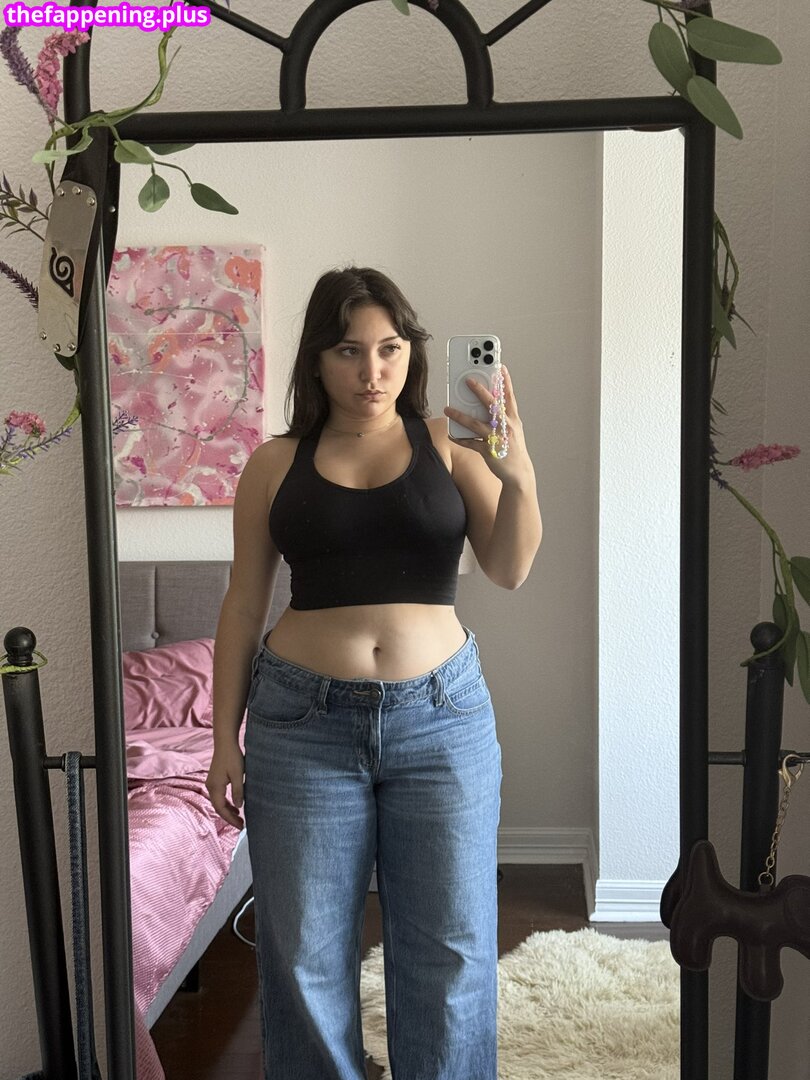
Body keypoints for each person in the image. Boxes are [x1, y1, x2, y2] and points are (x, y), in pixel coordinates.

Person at [206, 266, 542, 1080]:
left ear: (411, 353)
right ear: (317, 361)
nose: (372, 371)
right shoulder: (273, 464)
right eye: (349, 351)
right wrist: (223, 740)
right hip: (300, 726)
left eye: (390, 348)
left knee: (451, 947)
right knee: (304, 953)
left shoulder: (449, 444)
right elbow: (243, 606)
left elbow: (508, 568)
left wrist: (518, 470)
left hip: (442, 719)